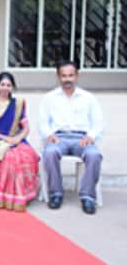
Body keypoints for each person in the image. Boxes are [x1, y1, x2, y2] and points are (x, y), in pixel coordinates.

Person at [39, 60, 104, 215]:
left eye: (71, 75)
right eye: (64, 76)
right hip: (59, 138)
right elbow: (42, 122)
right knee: (49, 153)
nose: (67, 79)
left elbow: (99, 122)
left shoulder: (88, 98)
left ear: (76, 76)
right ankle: (56, 193)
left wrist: (91, 136)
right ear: (58, 76)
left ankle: (88, 196)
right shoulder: (50, 98)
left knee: (94, 155)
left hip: (82, 138)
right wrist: (49, 135)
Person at [0, 72, 40, 212]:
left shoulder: (18, 104)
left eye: (8, 85)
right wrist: (5, 139)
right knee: (9, 158)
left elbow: (26, 127)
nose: (5, 88)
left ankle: (23, 196)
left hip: (16, 138)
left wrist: (18, 139)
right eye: (2, 84)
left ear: (12, 87)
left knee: (27, 155)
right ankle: (4, 196)